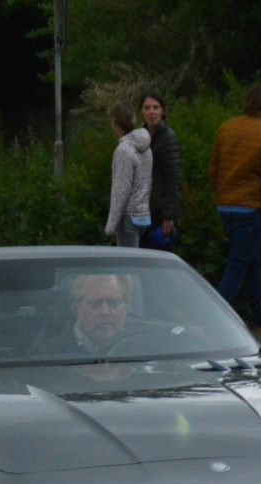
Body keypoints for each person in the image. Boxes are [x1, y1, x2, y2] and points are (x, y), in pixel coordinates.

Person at [208, 82, 261, 319]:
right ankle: (210, 319)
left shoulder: (227, 127)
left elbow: (213, 170)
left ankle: (260, 316)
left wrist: (223, 196)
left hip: (226, 206)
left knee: (250, 263)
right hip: (253, 209)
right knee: (237, 268)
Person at [31, 273, 151, 355]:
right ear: (77, 308)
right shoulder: (48, 354)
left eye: (114, 303)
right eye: (96, 304)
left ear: (126, 307)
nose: (105, 312)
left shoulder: (147, 350)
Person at [138, 90, 182, 251]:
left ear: (162, 110)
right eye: (147, 107)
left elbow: (174, 180)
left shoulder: (167, 138)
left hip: (159, 212)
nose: (151, 112)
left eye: (156, 107)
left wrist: (168, 216)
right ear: (141, 111)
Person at [104, 102, 153, 248]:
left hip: (129, 218)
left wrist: (111, 226)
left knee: (127, 267)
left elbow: (121, 190)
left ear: (114, 121)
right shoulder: (146, 149)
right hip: (143, 216)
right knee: (138, 266)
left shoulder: (123, 151)